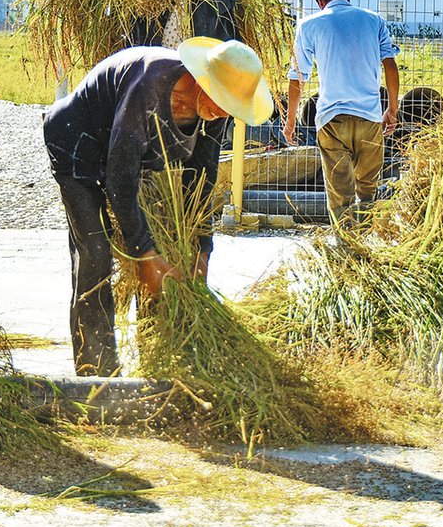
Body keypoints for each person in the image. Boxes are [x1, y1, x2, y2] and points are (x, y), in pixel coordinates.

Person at [43, 37, 273, 376]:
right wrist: (144, 254)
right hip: (78, 142)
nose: (223, 111)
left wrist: (202, 247)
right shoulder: (151, 86)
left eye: (231, 105)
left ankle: (158, 362)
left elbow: (202, 174)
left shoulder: (217, 106)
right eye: (221, 100)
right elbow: (119, 179)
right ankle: (97, 373)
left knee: (166, 259)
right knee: (96, 254)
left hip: (131, 161)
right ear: (202, 79)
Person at [283, 0, 399, 226]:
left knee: (340, 194)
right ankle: (366, 242)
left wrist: (290, 121)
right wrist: (392, 109)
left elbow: (298, 77)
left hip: (332, 120)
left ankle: (345, 245)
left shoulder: (309, 24)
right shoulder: (374, 20)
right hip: (370, 118)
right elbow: (390, 66)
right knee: (368, 190)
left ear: (318, 0)